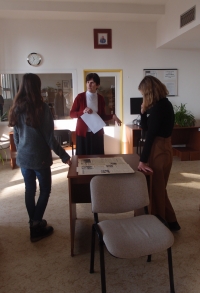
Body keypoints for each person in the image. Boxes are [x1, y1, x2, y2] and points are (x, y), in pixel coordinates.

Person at [8, 73, 71, 242]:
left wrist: (21, 149)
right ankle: (36, 226)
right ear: (37, 87)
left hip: (24, 158)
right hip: (39, 159)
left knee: (30, 190)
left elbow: (16, 136)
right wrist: (65, 157)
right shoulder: (42, 108)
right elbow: (50, 138)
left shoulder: (16, 107)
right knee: (45, 190)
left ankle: (34, 222)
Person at [137, 75, 180, 231]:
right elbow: (146, 129)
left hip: (158, 150)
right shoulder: (164, 104)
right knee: (159, 187)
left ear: (149, 92)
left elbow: (149, 136)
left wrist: (142, 160)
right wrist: (142, 112)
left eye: (143, 94)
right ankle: (173, 222)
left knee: (155, 189)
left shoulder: (158, 109)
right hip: (165, 148)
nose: (142, 97)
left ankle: (159, 225)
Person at [70, 73, 121, 155]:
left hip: (97, 133)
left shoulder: (100, 98)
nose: (89, 85)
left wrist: (113, 116)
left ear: (98, 85)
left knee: (98, 158)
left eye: (92, 82)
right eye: (87, 82)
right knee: (82, 160)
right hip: (83, 134)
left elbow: (102, 116)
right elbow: (72, 114)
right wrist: (82, 112)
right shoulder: (80, 97)